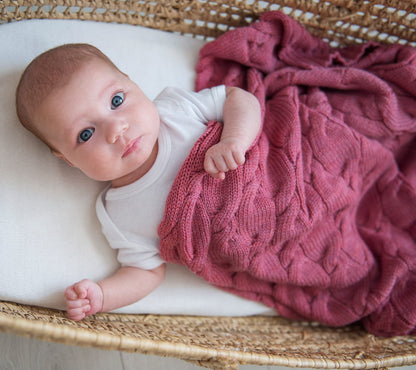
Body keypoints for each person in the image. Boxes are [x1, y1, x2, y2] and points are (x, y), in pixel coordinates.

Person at [15, 43, 262, 321]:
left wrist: (234, 140)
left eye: (116, 101)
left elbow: (238, 98)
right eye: (86, 134)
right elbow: (145, 272)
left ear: (133, 83)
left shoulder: (175, 110)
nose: (115, 130)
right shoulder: (119, 213)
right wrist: (102, 294)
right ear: (69, 160)